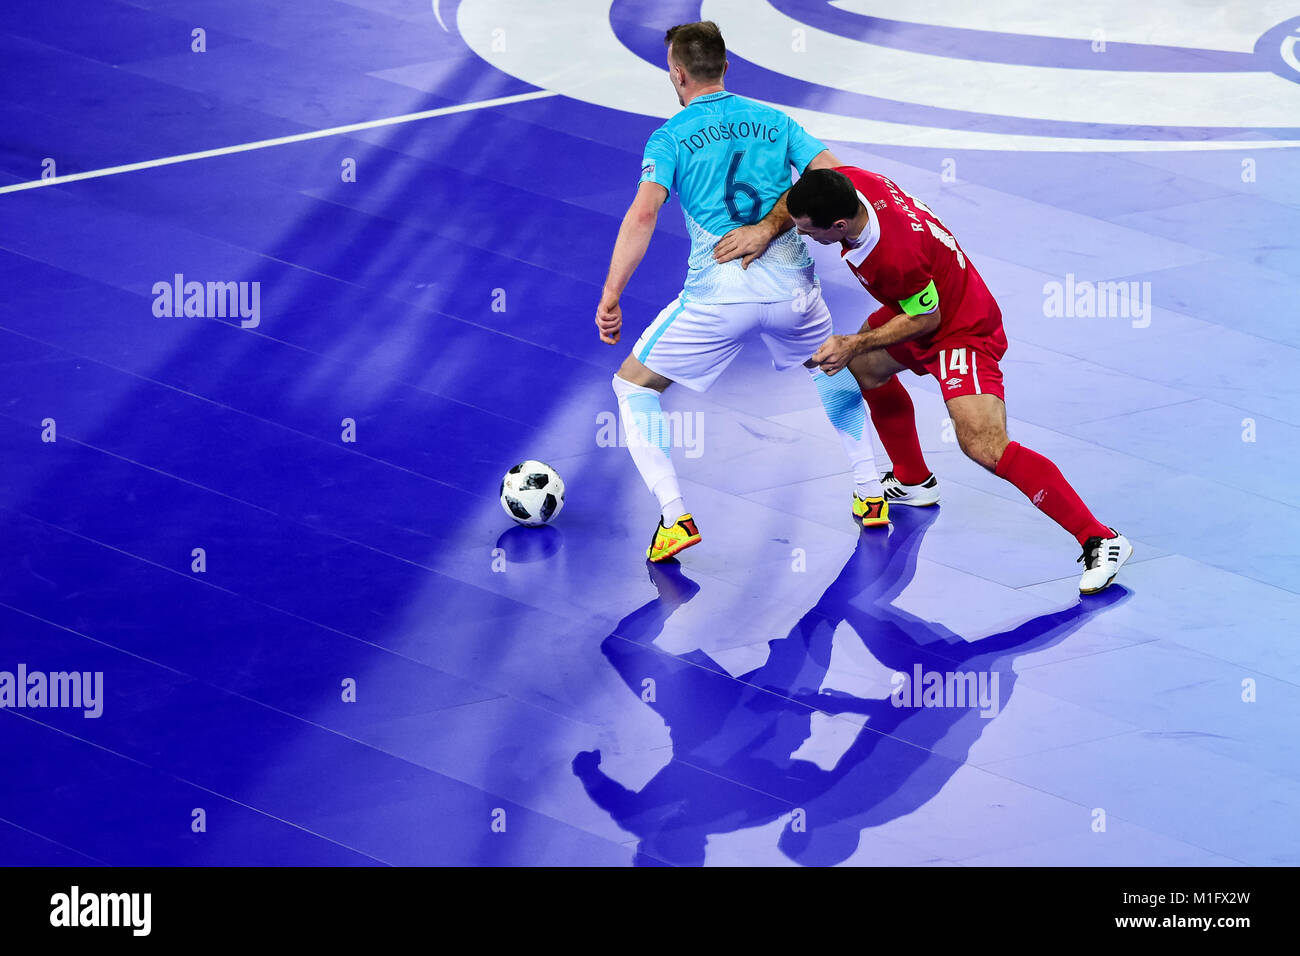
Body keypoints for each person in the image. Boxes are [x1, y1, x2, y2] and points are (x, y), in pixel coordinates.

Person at [714, 165, 1131, 593]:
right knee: (865, 370)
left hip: (958, 329)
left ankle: (1099, 537)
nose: (802, 236)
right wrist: (766, 229)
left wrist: (852, 342)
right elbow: (806, 189)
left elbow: (925, 316)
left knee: (983, 445)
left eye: (807, 231)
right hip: (919, 304)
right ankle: (913, 479)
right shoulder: (855, 182)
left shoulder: (892, 256)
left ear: (838, 225)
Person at [595, 21, 888, 564]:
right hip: (795, 297)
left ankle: (674, 514)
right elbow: (836, 179)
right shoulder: (775, 122)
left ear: (676, 73)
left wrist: (612, 293)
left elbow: (643, 214)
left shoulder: (670, 138)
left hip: (717, 300)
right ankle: (870, 491)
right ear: (726, 67)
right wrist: (777, 220)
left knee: (633, 387)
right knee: (829, 368)